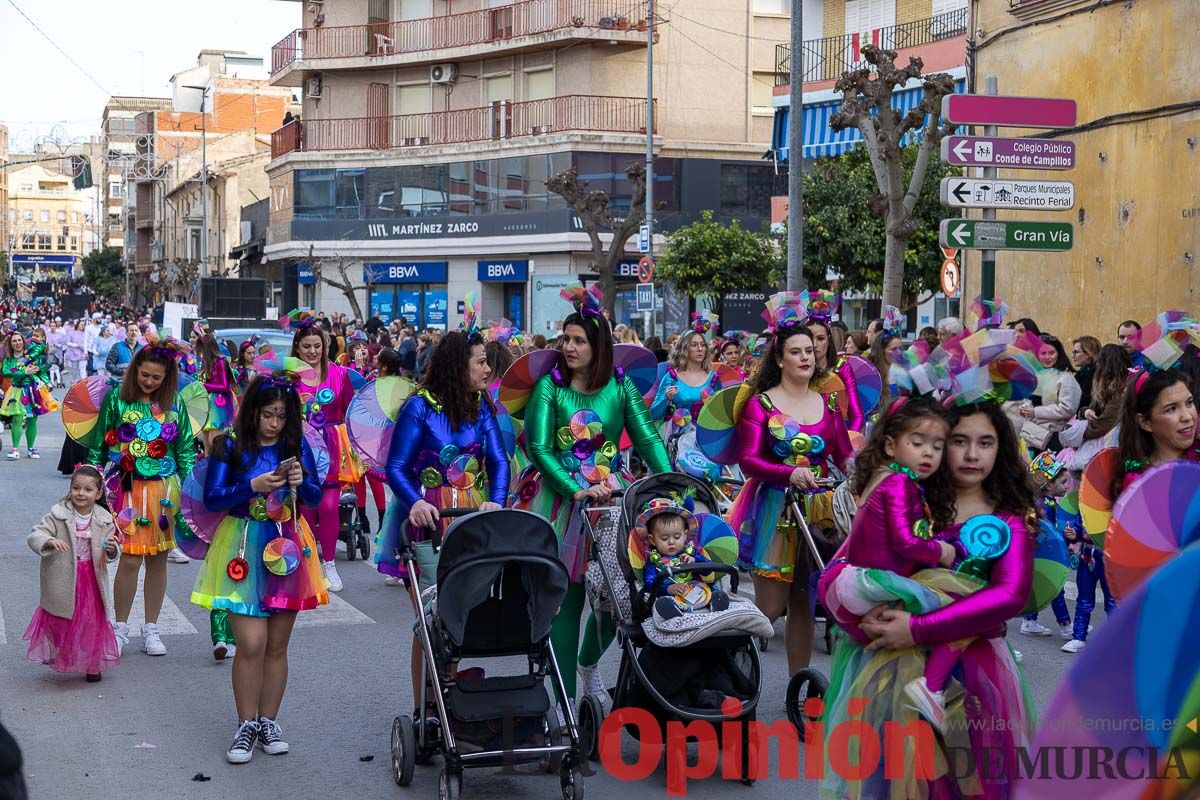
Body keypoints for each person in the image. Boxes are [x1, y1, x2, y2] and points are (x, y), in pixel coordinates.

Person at [819, 397, 1037, 798]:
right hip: (887, 670)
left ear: (1001, 448)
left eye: (986, 442)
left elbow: (1009, 596)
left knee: (962, 781)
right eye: (958, 441)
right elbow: (846, 566)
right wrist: (862, 621)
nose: (972, 455)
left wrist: (917, 629)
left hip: (969, 675)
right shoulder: (911, 498)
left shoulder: (1008, 516)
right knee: (892, 781)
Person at [513, 282, 669, 709]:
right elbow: (540, 448)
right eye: (566, 338)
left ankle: (588, 668)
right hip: (559, 504)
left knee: (615, 599)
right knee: (567, 601)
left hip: (612, 506)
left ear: (598, 345)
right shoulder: (550, 387)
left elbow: (649, 439)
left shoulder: (621, 387)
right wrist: (577, 488)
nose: (569, 347)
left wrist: (671, 482)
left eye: (579, 340)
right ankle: (563, 702)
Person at [191, 373, 329, 763]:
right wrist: (252, 486)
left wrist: (303, 481)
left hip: (287, 543)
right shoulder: (229, 446)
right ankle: (245, 723)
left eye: (281, 415)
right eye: (267, 414)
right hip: (243, 543)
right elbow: (213, 498)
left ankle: (269, 720)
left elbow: (316, 496)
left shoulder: (295, 444)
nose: (273, 422)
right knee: (250, 644)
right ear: (252, 412)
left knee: (277, 644)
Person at [376, 325, 509, 712]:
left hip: (470, 520)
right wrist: (416, 501)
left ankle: (449, 699)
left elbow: (499, 460)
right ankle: (425, 709)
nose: (488, 369)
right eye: (481, 361)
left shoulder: (482, 405)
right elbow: (396, 467)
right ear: (457, 364)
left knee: (460, 615)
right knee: (431, 622)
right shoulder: (419, 407)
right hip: (428, 525)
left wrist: (496, 501)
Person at [728, 296, 852, 675]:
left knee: (804, 603)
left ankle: (800, 689)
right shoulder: (760, 405)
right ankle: (727, 658)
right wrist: (788, 474)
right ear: (779, 359)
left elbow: (845, 454)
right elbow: (748, 460)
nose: (806, 357)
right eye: (796, 351)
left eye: (810, 350)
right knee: (770, 607)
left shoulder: (829, 405)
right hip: (775, 509)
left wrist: (870, 472)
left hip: (818, 509)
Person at [87, 338, 196, 657]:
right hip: (127, 489)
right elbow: (98, 444)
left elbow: (186, 449)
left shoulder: (176, 403)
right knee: (130, 559)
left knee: (158, 560)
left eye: (156, 377)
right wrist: (93, 483)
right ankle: (120, 628)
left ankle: (152, 629)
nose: (149, 381)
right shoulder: (116, 400)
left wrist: (190, 490)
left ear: (167, 378)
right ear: (135, 371)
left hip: (164, 492)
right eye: (144, 375)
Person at [23, 465, 122, 683]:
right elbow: (36, 533)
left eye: (87, 489)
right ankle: (64, 652)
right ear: (70, 489)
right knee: (61, 619)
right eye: (76, 488)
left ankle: (93, 664)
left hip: (91, 579)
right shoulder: (58, 514)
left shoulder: (105, 519)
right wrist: (48, 540)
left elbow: (112, 548)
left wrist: (112, 549)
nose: (80, 493)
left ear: (98, 494)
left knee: (92, 622)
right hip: (63, 576)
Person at [288, 312, 364, 592]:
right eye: (306, 346)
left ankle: (329, 562)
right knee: (305, 508)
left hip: (331, 448)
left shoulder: (339, 374)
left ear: (325, 347)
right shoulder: (289, 376)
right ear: (297, 347)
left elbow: (351, 411)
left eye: (317, 346)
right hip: (300, 446)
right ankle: (308, 563)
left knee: (330, 506)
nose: (312, 351)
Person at [635, 498, 728, 620]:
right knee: (662, 600)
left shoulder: (690, 553)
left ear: (685, 535)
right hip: (673, 596)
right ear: (652, 540)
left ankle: (716, 603)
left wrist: (695, 561)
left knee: (712, 590)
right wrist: (668, 588)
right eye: (664, 538)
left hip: (697, 591)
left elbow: (708, 568)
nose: (671, 542)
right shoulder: (654, 561)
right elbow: (648, 583)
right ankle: (673, 612)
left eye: (677, 536)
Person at [649, 313, 722, 463]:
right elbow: (653, 414)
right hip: (676, 441)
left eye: (703, 345)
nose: (700, 349)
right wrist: (666, 399)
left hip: (706, 440)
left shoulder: (713, 378)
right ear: (684, 349)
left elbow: (721, 414)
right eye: (694, 345)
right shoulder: (671, 377)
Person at [1019, 451, 1076, 639]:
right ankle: (1066, 626)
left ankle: (1029, 621)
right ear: (1049, 485)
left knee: (1039, 585)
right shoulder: (1044, 505)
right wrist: (1060, 547)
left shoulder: (1041, 501)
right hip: (1042, 554)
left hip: (1037, 553)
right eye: (1063, 483)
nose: (1067, 486)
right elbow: (1047, 531)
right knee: (1055, 588)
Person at [1006, 333, 1081, 452]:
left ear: (1059, 354)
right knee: (1033, 470)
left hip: (1053, 437)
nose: (1047, 357)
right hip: (1034, 435)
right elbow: (1033, 400)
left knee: (1049, 471)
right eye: (1043, 353)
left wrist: (1035, 412)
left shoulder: (1065, 378)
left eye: (1051, 353)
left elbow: (1067, 408)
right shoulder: (1038, 375)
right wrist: (1026, 408)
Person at [2, 329, 55, 460]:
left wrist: (39, 369)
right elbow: (6, 372)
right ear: (10, 343)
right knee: (17, 418)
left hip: (33, 390)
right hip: (17, 390)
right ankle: (15, 449)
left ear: (23, 341)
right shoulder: (9, 358)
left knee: (32, 419)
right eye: (14, 341)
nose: (17, 343)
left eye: (19, 340)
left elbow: (46, 364)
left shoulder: (32, 355)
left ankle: (31, 449)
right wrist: (24, 372)